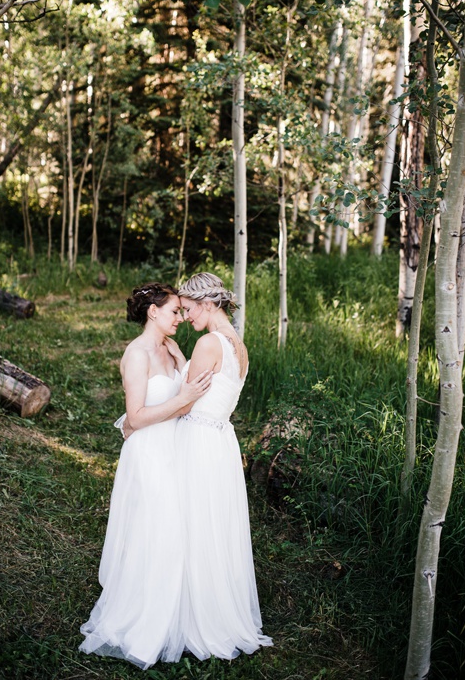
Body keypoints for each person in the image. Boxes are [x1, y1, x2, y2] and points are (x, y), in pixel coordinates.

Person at [80, 283, 213, 669]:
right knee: (159, 530)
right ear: (152, 312)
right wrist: (184, 399)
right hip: (149, 452)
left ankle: (177, 616)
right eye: (174, 311)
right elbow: (135, 418)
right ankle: (144, 618)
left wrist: (185, 380)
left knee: (177, 530)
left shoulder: (171, 350)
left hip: (175, 447)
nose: (181, 318)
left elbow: (186, 392)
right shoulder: (136, 355)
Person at [175, 272, 273, 660]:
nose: (184, 316)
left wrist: (142, 417)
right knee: (214, 526)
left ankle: (192, 615)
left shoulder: (207, 343)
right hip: (221, 440)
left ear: (209, 304)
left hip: (197, 440)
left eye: (187, 308)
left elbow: (185, 402)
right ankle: (216, 608)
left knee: (191, 523)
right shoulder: (238, 346)